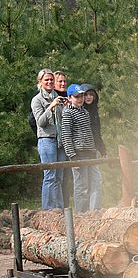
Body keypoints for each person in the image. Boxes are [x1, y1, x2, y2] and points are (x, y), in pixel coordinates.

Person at [30, 68, 68, 209]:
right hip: (46, 140)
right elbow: (40, 122)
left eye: (51, 79)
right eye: (46, 79)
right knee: (50, 176)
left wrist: (65, 107)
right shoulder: (37, 100)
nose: (49, 82)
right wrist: (51, 107)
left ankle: (59, 209)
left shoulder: (57, 96)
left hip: (59, 141)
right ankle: (47, 210)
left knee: (59, 177)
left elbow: (63, 119)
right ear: (40, 82)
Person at [60, 84, 102, 213]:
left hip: (90, 152)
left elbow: (89, 133)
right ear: (70, 97)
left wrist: (95, 149)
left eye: (82, 95)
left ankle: (94, 211)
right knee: (81, 186)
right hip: (78, 153)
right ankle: (82, 214)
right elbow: (66, 135)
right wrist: (72, 156)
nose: (80, 98)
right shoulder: (67, 113)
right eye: (77, 96)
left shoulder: (85, 112)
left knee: (96, 181)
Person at [53, 70, 73, 208]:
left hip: (69, 142)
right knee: (55, 176)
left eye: (64, 81)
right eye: (59, 81)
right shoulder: (51, 98)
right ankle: (55, 208)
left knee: (67, 177)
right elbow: (33, 120)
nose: (62, 83)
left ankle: (66, 206)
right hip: (54, 142)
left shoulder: (69, 97)